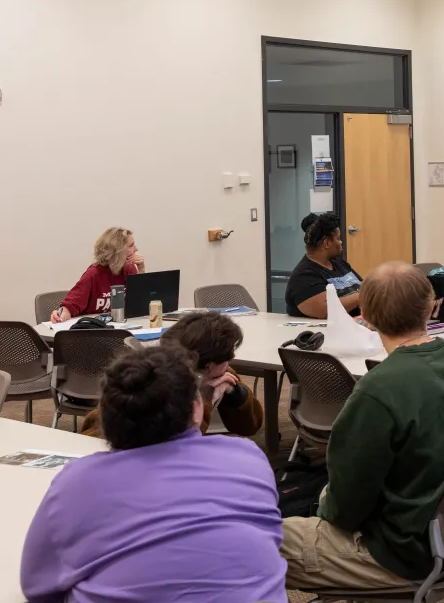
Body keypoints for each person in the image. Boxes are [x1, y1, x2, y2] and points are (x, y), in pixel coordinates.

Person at [281, 262, 444, 592]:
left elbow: (344, 510)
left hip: (395, 555)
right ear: (432, 305)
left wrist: (325, 501)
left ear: (365, 315)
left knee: (245, 539)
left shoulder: (377, 391)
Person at [21, 345, 286, 603]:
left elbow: (37, 586)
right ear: (197, 409)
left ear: (105, 416)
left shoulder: (75, 483)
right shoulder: (249, 457)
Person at [80, 311, 264, 438]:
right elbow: (173, 445)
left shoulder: (222, 374)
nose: (232, 357)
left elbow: (250, 426)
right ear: (209, 366)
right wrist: (204, 401)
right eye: (229, 354)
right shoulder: (149, 381)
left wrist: (236, 394)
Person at [50, 227, 145, 322]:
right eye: (131, 245)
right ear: (117, 251)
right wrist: (63, 313)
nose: (136, 249)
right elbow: (71, 305)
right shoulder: (93, 274)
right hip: (95, 331)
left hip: (122, 328)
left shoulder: (129, 269)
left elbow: (140, 304)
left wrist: (141, 269)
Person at [285, 212, 362, 319]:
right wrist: (361, 298)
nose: (341, 242)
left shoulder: (340, 264)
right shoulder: (304, 276)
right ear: (326, 243)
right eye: (338, 238)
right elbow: (325, 310)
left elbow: (364, 287)